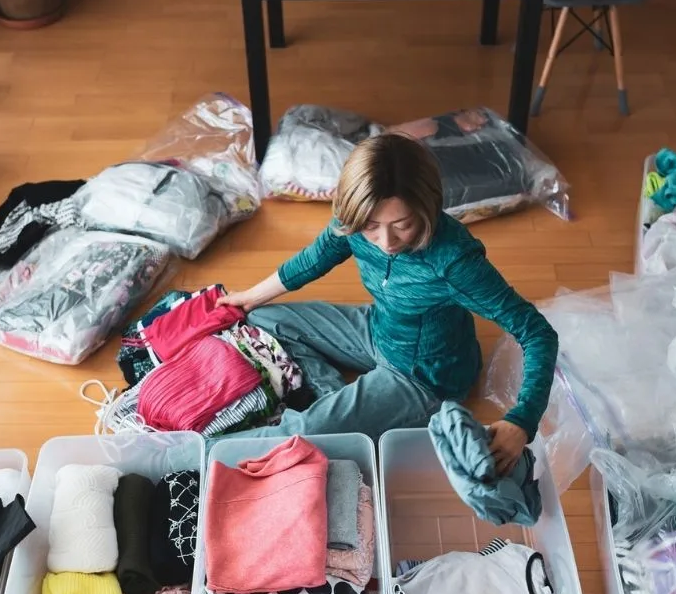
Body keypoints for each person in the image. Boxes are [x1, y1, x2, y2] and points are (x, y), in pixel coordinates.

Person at [218, 133, 558, 473]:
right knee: (263, 319)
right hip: (378, 327)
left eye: (403, 225)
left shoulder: (454, 260)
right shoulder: (354, 222)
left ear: (426, 209)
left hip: (423, 376)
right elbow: (315, 258)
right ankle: (333, 400)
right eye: (372, 227)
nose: (386, 241)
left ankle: (183, 455)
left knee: (301, 433)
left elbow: (537, 332)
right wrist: (248, 298)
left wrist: (522, 420)